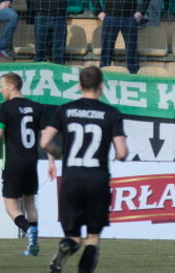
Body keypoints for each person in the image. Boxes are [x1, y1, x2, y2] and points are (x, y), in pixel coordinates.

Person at [40, 65, 128, 273]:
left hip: (71, 179)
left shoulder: (64, 109)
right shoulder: (111, 113)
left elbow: (44, 141)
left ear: (79, 85)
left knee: (73, 237)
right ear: (101, 86)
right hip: (96, 180)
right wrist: (117, 154)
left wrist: (59, 153)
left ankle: (66, 247)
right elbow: (122, 152)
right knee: (92, 238)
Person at [0, 72, 43, 257]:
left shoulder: (5, 107)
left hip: (13, 163)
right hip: (31, 162)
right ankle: (33, 244)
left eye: (1, 86)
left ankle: (28, 230)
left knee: (11, 206)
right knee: (30, 203)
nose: (0, 90)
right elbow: (44, 136)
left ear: (11, 86)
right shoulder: (37, 107)